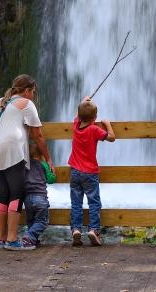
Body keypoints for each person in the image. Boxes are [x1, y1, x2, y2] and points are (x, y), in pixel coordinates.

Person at [0, 74, 55, 251]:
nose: (33, 96)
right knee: (16, 194)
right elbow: (38, 135)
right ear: (26, 91)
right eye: (33, 92)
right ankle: (12, 240)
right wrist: (49, 158)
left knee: (3, 194)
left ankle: (1, 239)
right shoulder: (27, 104)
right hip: (13, 151)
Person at [68, 96, 115, 246]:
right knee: (94, 202)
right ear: (95, 117)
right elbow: (112, 138)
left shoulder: (76, 125)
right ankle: (94, 230)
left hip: (75, 171)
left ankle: (76, 229)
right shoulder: (95, 129)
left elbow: (79, 115)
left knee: (76, 203)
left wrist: (84, 100)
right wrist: (107, 124)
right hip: (90, 172)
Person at [21, 141, 56, 249]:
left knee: (31, 220)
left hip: (27, 198)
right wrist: (53, 173)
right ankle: (29, 236)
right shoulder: (44, 165)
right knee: (42, 221)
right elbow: (51, 180)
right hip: (40, 197)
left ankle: (32, 241)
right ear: (40, 155)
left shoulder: (24, 166)